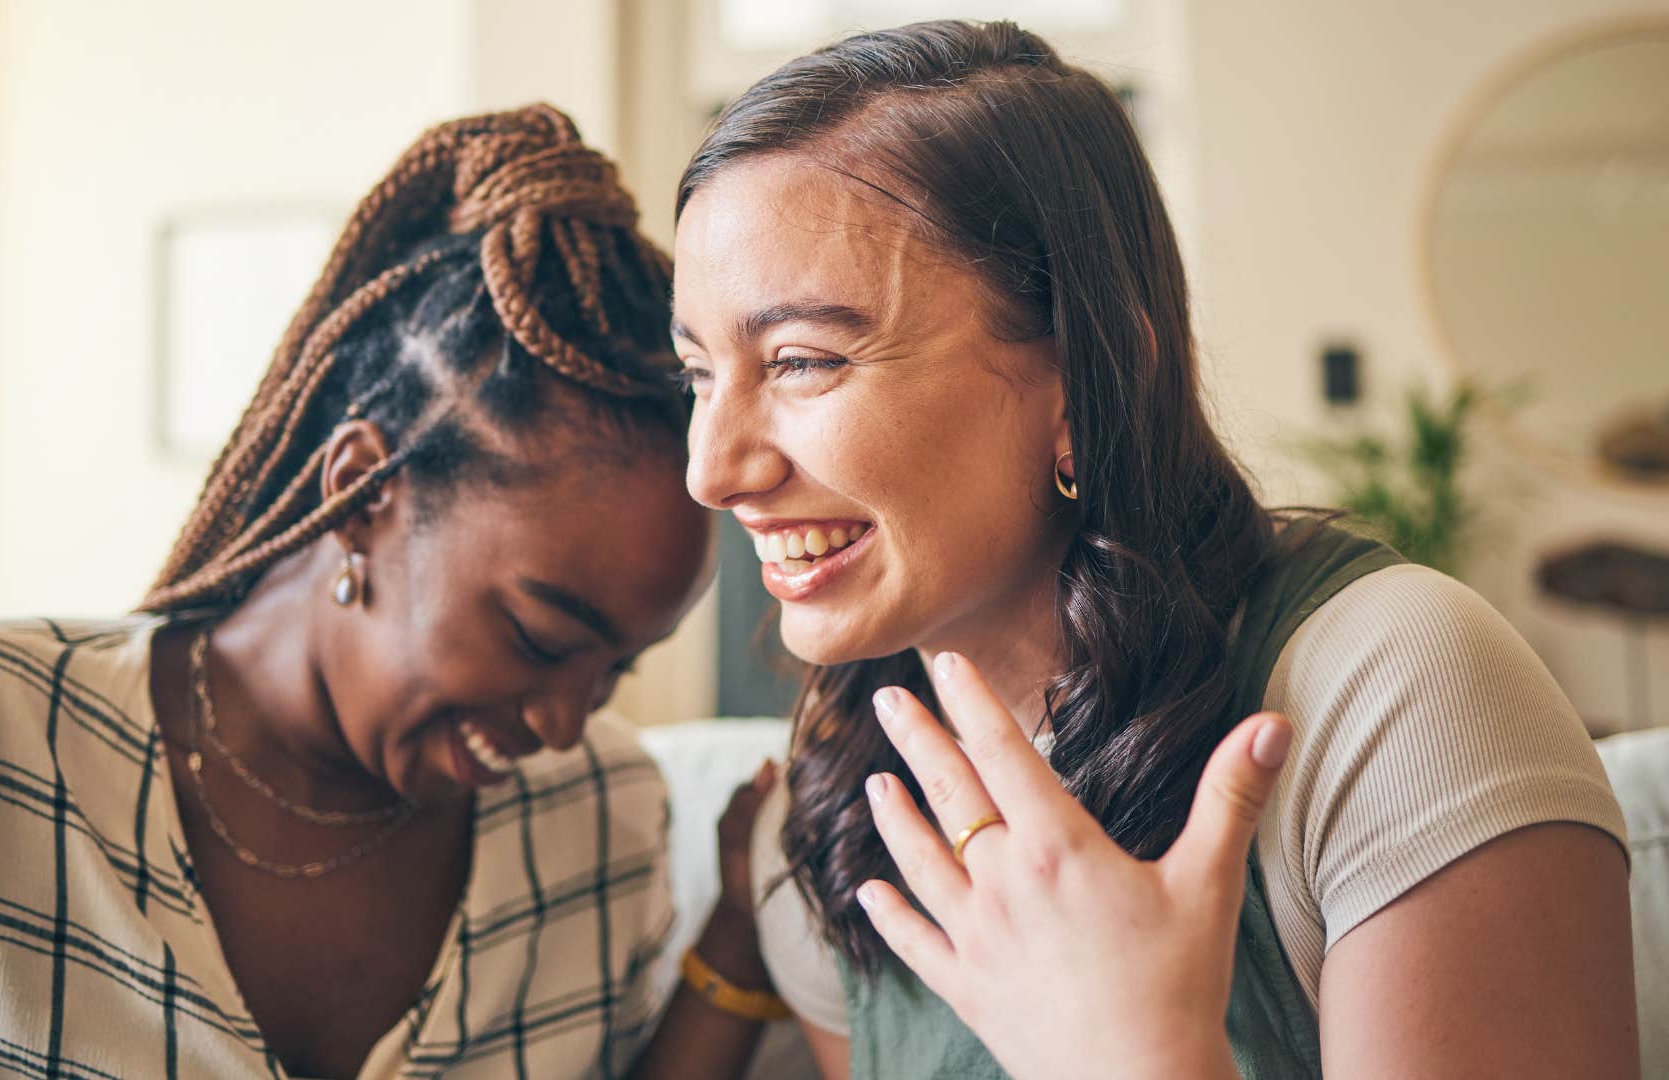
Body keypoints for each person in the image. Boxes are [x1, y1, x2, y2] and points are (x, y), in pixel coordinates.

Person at [671, 20, 1639, 1079]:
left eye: (802, 361)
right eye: (699, 375)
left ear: (1088, 379)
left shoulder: (1393, 696)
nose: (712, 472)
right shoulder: (833, 819)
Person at [0, 105, 778, 1080]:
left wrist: (740, 932)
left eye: (614, 674)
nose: (564, 723)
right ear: (360, 494)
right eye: (541, 637)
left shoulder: (600, 811)